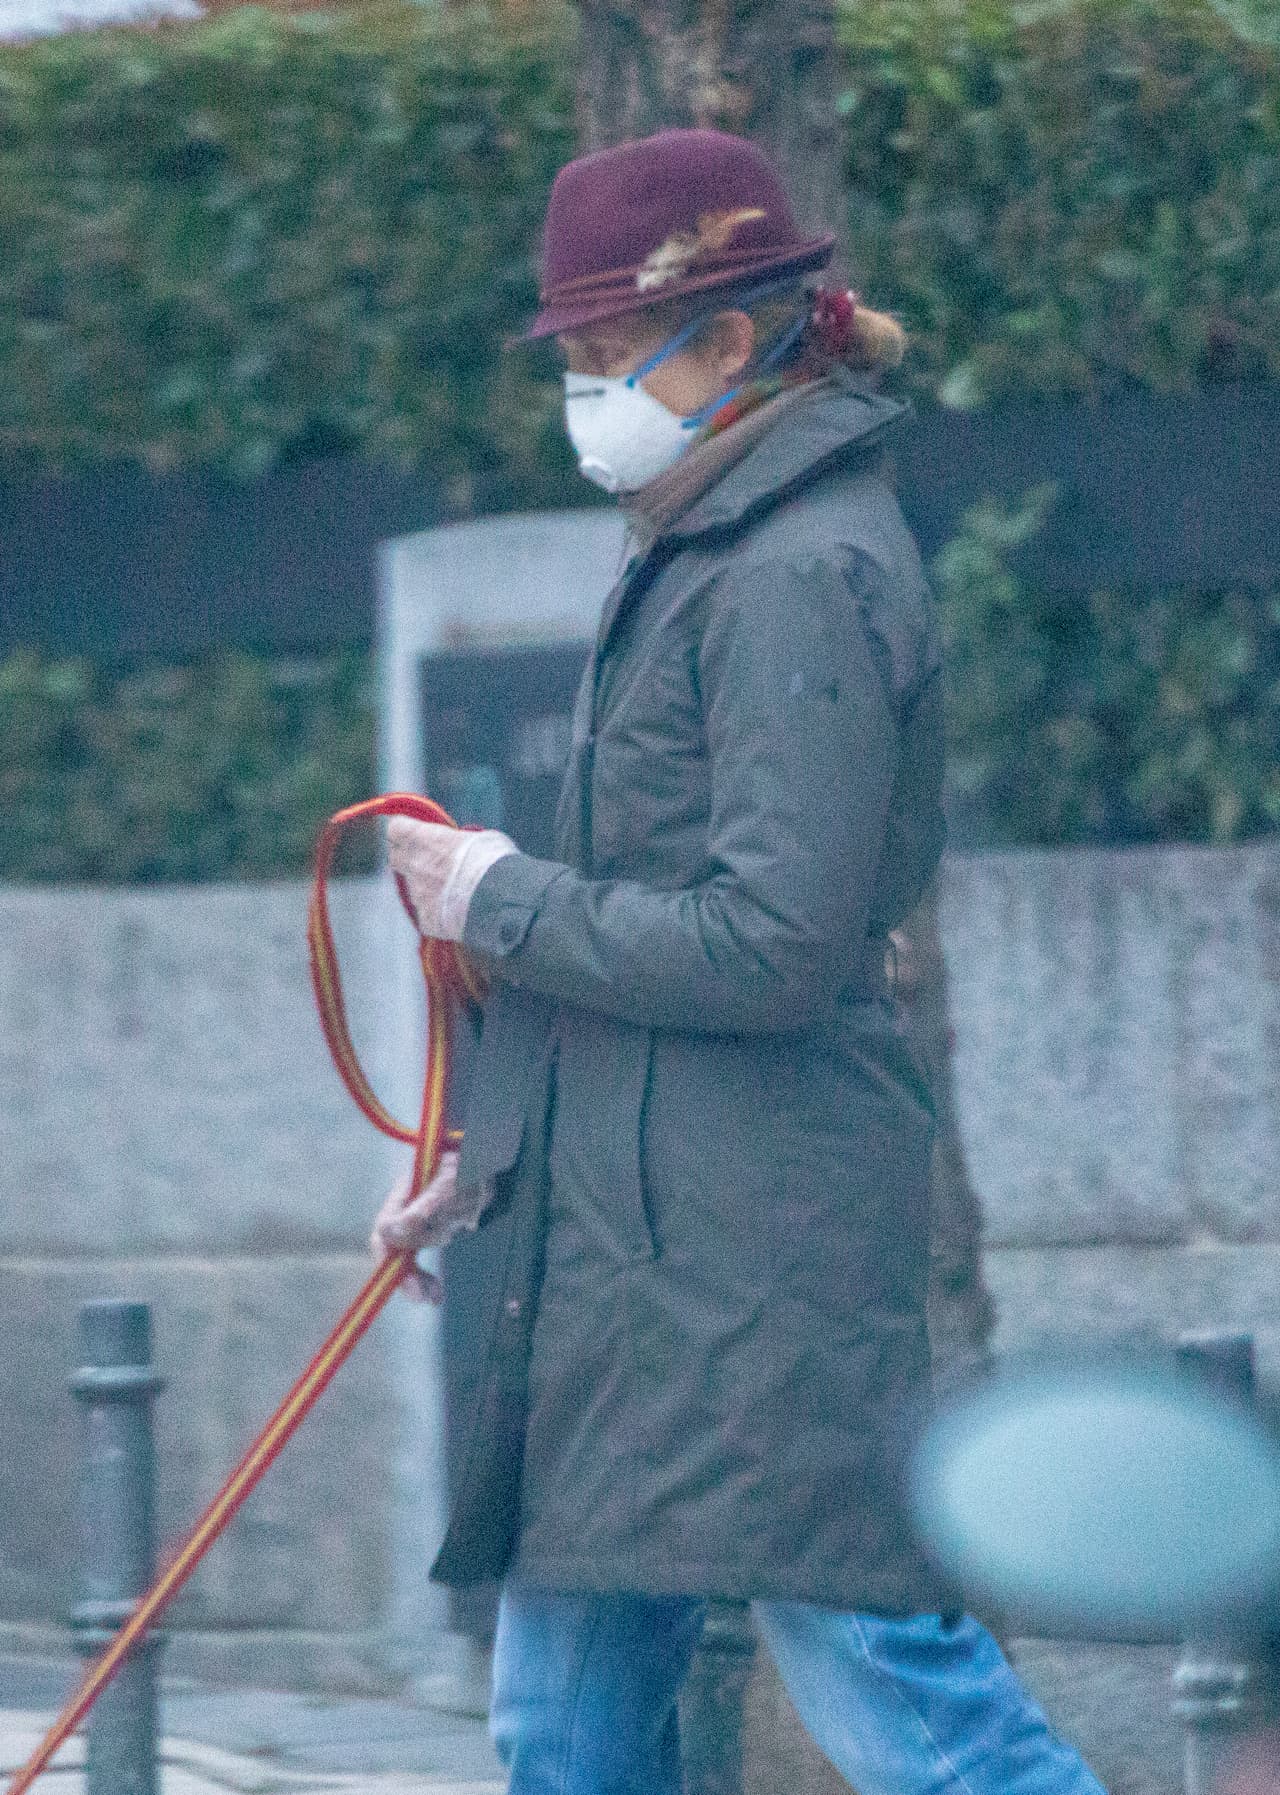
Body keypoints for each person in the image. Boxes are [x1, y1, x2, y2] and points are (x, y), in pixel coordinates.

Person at [372, 127, 1107, 1795]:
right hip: (644, 1271)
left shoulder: (798, 570)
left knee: (916, 1725)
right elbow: (671, 931)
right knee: (560, 1730)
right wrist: (485, 1164)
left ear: (734, 340)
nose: (582, 394)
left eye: (603, 356)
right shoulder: (717, 537)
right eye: (572, 361)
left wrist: (495, 895)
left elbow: (769, 945)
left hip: (749, 1274)